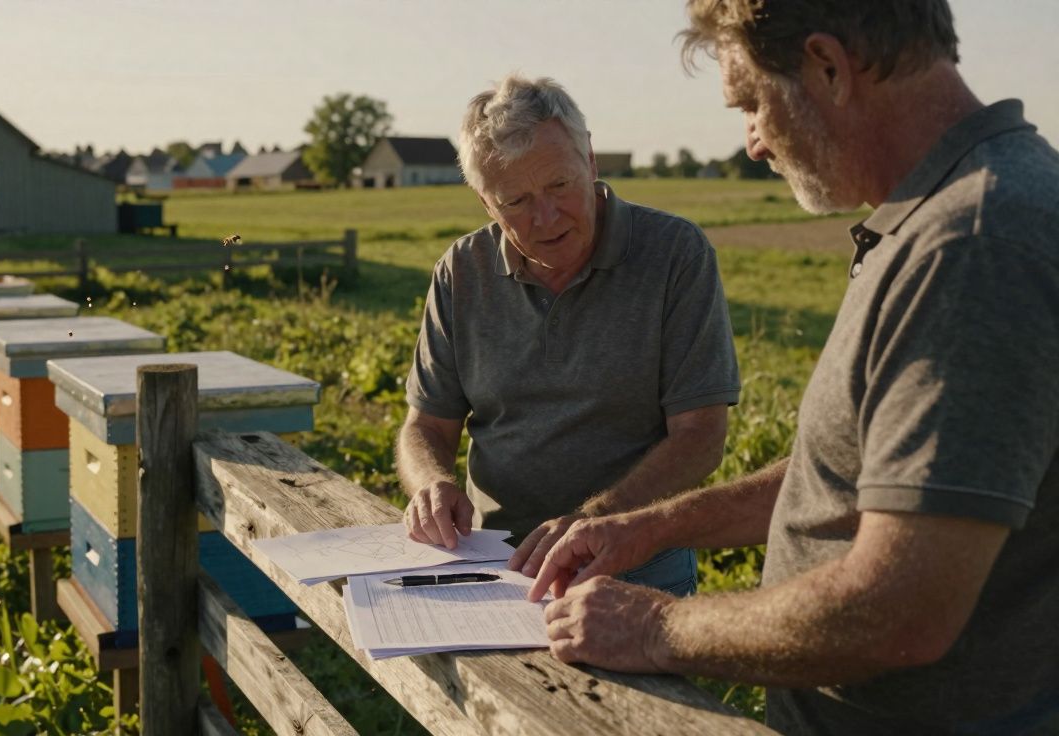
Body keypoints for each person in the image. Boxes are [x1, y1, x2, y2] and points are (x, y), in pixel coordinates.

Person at [527, 1, 1059, 732]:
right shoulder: (950, 209)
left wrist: (655, 629)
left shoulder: (970, 245)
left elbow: (903, 611)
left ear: (829, 67)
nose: (751, 143)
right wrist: (648, 527)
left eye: (751, 102)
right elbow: (864, 479)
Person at [397, 74, 741, 598]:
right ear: (486, 204)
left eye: (560, 185)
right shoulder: (461, 271)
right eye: (515, 201)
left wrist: (593, 521)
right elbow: (425, 426)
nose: (546, 217)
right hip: (494, 563)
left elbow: (700, 437)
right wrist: (430, 485)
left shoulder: (675, 254)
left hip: (632, 563)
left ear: (591, 161)